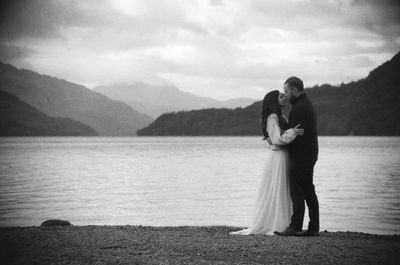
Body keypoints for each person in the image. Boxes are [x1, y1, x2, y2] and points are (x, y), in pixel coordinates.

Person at [230, 90, 304, 235]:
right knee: (278, 188)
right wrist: (293, 132)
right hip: (279, 156)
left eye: (285, 95)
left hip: (281, 155)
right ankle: (277, 224)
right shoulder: (273, 117)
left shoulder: (278, 116)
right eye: (281, 96)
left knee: (280, 188)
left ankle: (281, 222)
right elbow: (277, 139)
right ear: (273, 100)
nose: (285, 98)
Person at [274, 76, 320, 237]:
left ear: (294, 90)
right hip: (309, 154)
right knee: (308, 190)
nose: (285, 95)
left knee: (298, 191)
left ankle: (295, 227)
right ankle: (313, 227)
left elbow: (295, 135)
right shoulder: (306, 104)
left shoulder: (300, 108)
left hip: (301, 155)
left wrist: (280, 144)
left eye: (286, 91)